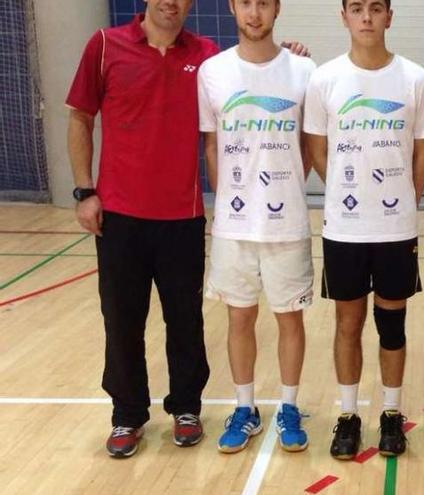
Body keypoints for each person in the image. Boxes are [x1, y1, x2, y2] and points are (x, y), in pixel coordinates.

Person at [66, 0, 308, 458]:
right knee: (121, 321)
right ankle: (127, 414)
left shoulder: (208, 57)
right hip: (118, 215)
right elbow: (80, 117)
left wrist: (291, 54)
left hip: (183, 214)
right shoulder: (103, 46)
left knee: (185, 322)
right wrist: (84, 190)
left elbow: (254, 71)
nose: (170, 2)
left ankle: (186, 408)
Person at [303, 0, 424, 459]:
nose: (365, 17)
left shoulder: (414, 78)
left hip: (396, 228)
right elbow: (318, 149)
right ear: (343, 17)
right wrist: (344, 191)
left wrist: (406, 200)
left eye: (374, 8)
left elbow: (422, 152)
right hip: (345, 227)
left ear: (388, 17)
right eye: (356, 8)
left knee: (392, 325)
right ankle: (347, 415)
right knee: (347, 324)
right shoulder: (325, 78)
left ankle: (392, 415)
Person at [198, 0, 315, 454]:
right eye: (245, 2)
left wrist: (289, 185)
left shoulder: (303, 70)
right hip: (234, 225)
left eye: (263, 2)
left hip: (286, 222)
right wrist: (229, 198)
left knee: (290, 319)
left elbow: (309, 143)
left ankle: (289, 406)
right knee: (239, 317)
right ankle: (244, 408)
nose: (254, 12)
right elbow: (212, 145)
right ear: (232, 6)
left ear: (277, 8)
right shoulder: (212, 72)